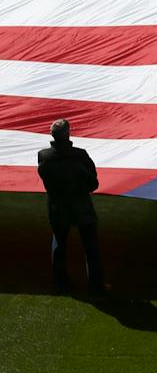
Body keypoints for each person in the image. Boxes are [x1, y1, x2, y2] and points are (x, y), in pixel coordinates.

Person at [37, 119, 105, 294]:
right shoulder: (80, 155)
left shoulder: (44, 155)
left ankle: (60, 283)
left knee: (59, 244)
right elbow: (93, 183)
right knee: (90, 246)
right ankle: (96, 284)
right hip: (81, 205)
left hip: (57, 206)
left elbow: (46, 179)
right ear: (68, 133)